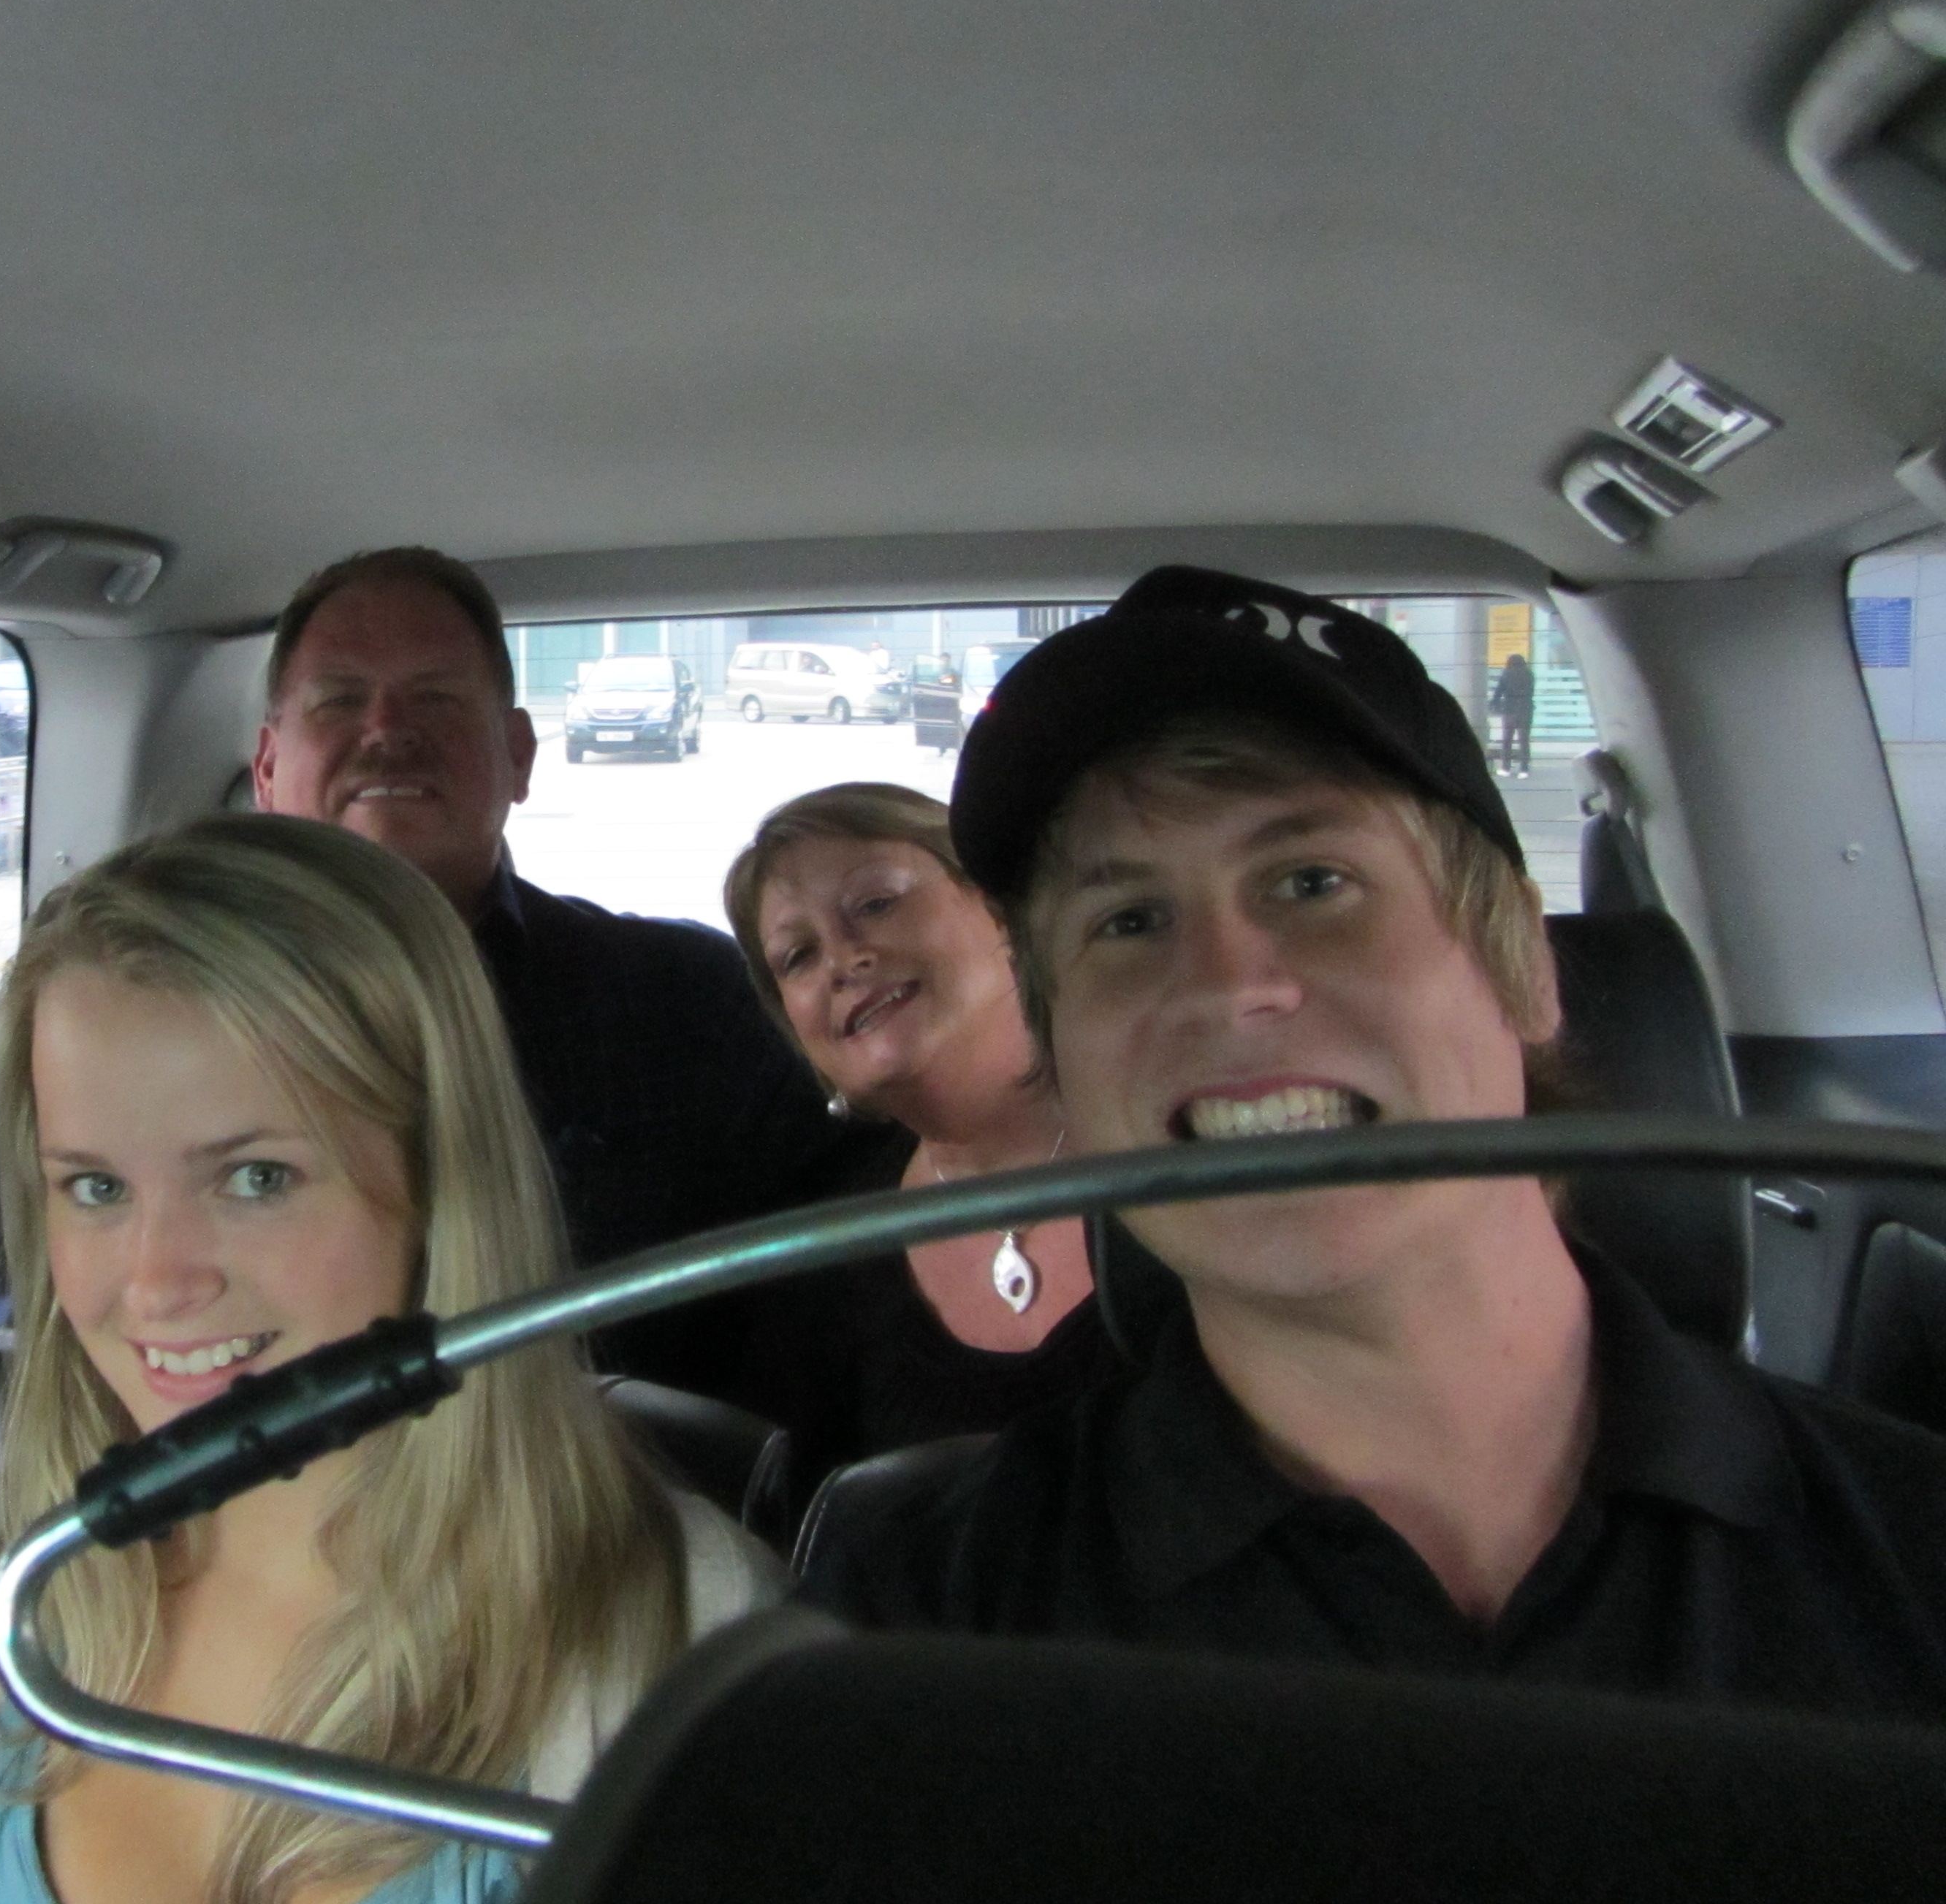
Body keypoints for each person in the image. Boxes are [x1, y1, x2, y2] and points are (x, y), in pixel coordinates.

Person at [804, 565, 1946, 1725]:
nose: (1226, 988)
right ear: (1065, 1063)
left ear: (1522, 966)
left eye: (1313, 882)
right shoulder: (910, 1625)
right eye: (1129, 922)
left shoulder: (1914, 1553)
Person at [0, 815, 780, 1904]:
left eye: (256, 1179)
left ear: (439, 1182)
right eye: (96, 1188)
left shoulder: (681, 1629)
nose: (155, 1281)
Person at [249, 547, 861, 1405]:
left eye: (436, 696)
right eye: (340, 699)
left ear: (519, 755)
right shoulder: (171, 1029)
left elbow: (852, 1295)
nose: (386, 730)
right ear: (267, 770)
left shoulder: (693, 1005)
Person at [721, 783, 1104, 1475]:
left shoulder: (1187, 1147)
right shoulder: (819, 1265)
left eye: (876, 904)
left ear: (1001, 908)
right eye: (798, 956)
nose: (843, 960)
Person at [1490, 649, 1535, 777]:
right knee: (1524, 741)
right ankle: (1524, 770)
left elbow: (1499, 691)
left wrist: (1494, 704)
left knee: (1507, 740)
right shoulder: (1529, 674)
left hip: (1509, 710)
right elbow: (1531, 692)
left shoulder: (1507, 673)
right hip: (1525, 709)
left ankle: (1506, 768)